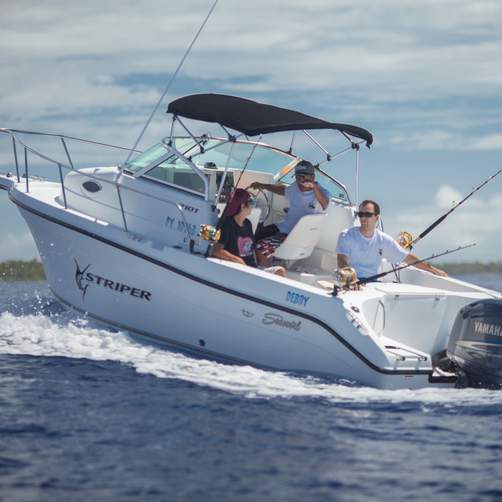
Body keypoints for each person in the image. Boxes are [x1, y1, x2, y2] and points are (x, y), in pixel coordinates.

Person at [336, 199, 447, 280]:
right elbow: (341, 261)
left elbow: (408, 258)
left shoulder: (383, 239)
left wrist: (434, 270)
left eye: (368, 214)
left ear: (377, 217)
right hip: (349, 280)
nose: (363, 218)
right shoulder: (347, 235)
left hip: (372, 283)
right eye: (361, 214)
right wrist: (350, 279)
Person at [249, 160, 331, 241]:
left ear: (312, 177)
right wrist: (262, 185)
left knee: (260, 243)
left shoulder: (323, 192)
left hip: (297, 236)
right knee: (253, 236)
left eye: (303, 176)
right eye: (297, 176)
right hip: (283, 227)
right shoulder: (295, 186)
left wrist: (314, 187)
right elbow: (283, 190)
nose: (299, 180)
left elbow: (325, 205)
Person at [212, 189, 286, 277]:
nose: (253, 206)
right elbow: (216, 250)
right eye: (251, 202)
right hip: (240, 270)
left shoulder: (247, 223)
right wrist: (238, 261)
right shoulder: (227, 225)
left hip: (252, 269)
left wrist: (259, 266)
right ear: (242, 206)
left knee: (279, 271)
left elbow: (252, 249)